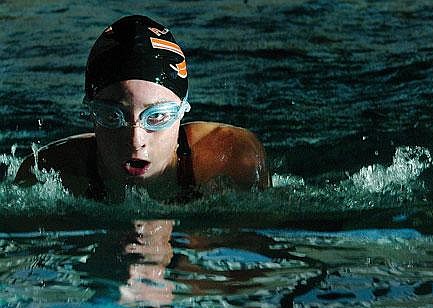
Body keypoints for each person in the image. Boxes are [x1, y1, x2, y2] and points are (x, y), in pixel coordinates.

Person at [14, 15, 270, 201]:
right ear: (91, 114)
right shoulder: (48, 172)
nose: (136, 140)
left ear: (182, 110)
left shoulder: (230, 159)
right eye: (112, 117)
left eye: (156, 116)